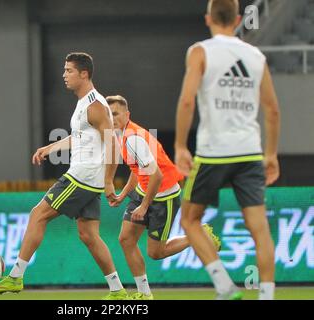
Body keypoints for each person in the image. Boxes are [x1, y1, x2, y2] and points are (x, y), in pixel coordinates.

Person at [0, 52, 129, 300]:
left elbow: (113, 145)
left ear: (84, 74)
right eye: (64, 70)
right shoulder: (84, 102)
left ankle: (16, 277)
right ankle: (118, 290)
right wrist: (50, 148)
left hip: (82, 176)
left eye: (69, 71)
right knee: (89, 235)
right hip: (89, 178)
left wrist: (108, 182)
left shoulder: (95, 106)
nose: (64, 75)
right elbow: (82, 138)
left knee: (37, 215)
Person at [174, 0, 280, 300]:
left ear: (208, 19)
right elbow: (272, 110)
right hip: (249, 152)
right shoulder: (256, 56)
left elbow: (186, 101)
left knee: (190, 220)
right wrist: (271, 154)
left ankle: (224, 286)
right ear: (237, 20)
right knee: (259, 228)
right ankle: (267, 296)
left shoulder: (200, 51)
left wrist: (181, 145)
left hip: (212, 153)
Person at [106, 95, 221, 300]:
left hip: (164, 197)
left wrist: (144, 205)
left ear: (127, 115)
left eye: (115, 113)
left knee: (156, 253)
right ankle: (144, 294)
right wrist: (124, 194)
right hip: (144, 191)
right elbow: (137, 168)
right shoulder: (123, 135)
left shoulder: (133, 138)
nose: (111, 118)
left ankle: (199, 235)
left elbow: (156, 175)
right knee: (125, 239)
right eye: (109, 114)